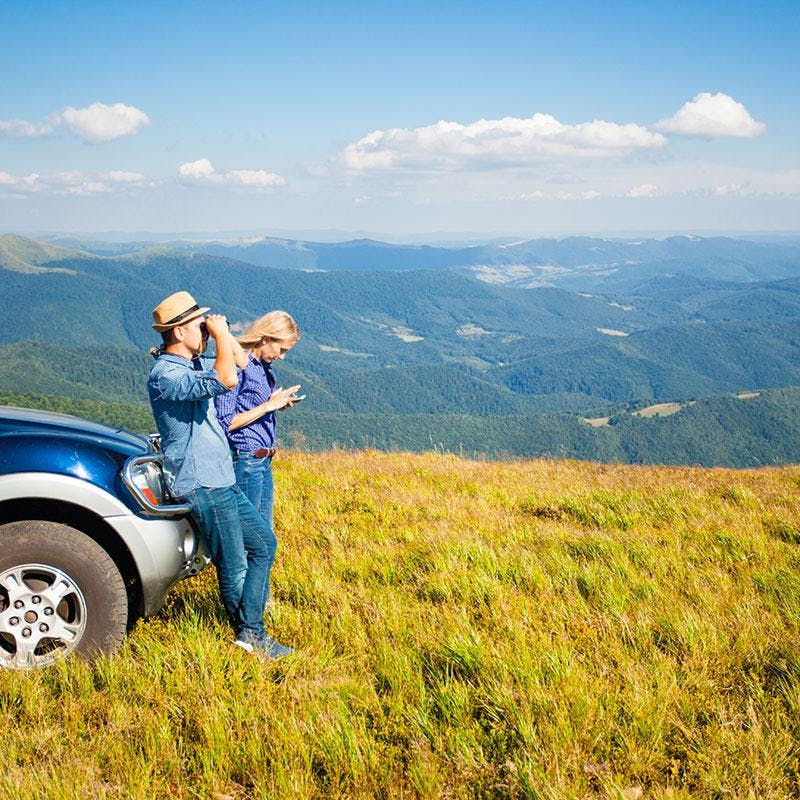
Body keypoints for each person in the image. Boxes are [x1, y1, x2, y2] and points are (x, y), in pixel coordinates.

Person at [147, 291, 293, 658]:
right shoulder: (166, 374)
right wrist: (219, 336)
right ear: (179, 332)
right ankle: (251, 634)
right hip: (201, 483)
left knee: (264, 545)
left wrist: (219, 334)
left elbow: (240, 362)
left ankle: (249, 627)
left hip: (221, 478)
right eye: (198, 325)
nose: (205, 329)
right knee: (232, 561)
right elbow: (228, 379)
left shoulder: (194, 365)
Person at [214, 312, 301, 609]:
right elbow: (226, 422)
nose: (282, 356)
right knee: (252, 541)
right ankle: (247, 611)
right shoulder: (236, 366)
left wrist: (277, 403)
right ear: (265, 338)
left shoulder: (261, 367)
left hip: (262, 461)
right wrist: (269, 405)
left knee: (263, 534)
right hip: (246, 458)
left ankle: (257, 602)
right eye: (281, 348)